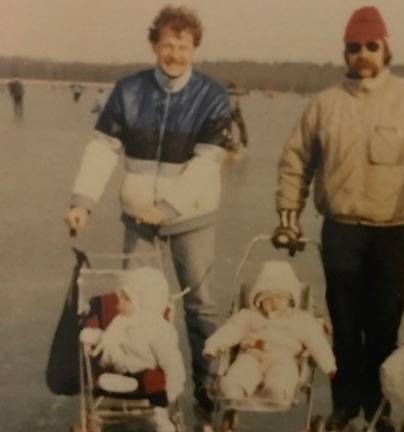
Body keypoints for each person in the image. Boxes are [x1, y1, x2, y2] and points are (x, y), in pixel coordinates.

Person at [273, 6, 404, 431]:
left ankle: (380, 408)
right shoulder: (325, 104)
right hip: (340, 230)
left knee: (383, 325)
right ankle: (345, 405)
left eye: (371, 46)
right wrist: (289, 216)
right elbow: (295, 159)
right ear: (344, 53)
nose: (362, 54)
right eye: (353, 47)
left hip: (390, 233)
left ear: (385, 48)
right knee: (344, 324)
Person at [63, 6, 231, 430]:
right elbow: (102, 150)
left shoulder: (211, 96)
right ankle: (140, 385)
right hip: (138, 219)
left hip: (192, 219)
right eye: (167, 44)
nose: (174, 53)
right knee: (133, 308)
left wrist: (170, 206)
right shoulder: (129, 91)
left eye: (183, 45)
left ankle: (207, 394)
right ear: (155, 45)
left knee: (201, 308)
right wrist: (83, 201)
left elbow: (207, 164)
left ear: (195, 48)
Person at [203, 260, 336, 402]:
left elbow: (316, 341)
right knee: (242, 369)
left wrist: (329, 365)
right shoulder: (248, 316)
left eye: (279, 298)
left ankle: (277, 390)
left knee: (284, 372)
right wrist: (213, 345)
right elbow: (230, 331)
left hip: (284, 357)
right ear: (258, 300)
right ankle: (234, 387)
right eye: (267, 299)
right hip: (252, 356)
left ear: (290, 300)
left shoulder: (300, 319)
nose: (274, 303)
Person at [79, 266, 185, 432]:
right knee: (105, 375)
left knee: (154, 379)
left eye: (124, 299)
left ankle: (160, 415)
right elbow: (108, 341)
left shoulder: (158, 329)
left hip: (146, 372)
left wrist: (173, 389)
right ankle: (120, 385)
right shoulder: (120, 323)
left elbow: (171, 361)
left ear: (139, 302)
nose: (118, 303)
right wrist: (95, 337)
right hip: (122, 370)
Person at [224, 81, 249, 157]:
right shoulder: (232, 92)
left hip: (232, 111)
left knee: (239, 127)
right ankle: (240, 143)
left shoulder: (227, 92)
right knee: (240, 127)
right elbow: (242, 92)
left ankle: (241, 143)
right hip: (231, 111)